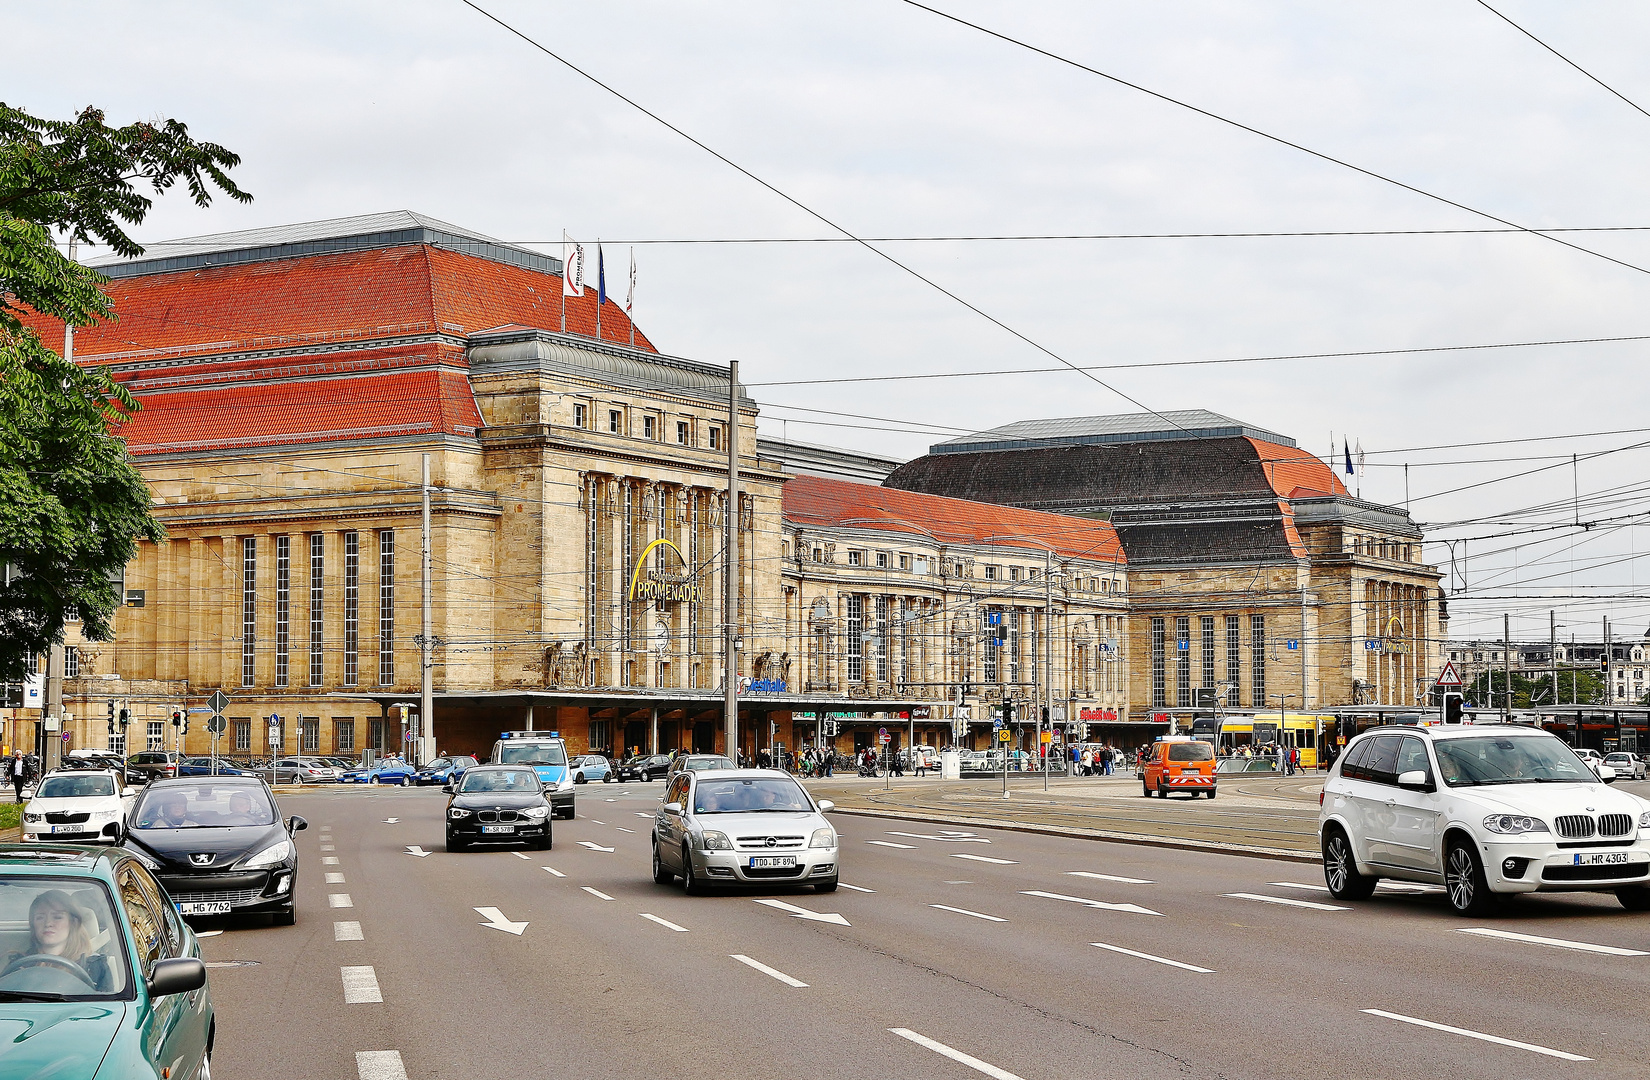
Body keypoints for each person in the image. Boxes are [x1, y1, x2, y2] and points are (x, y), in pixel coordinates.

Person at [4, 890, 114, 992]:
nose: (48, 923)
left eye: (57, 917)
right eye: (40, 917)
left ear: (73, 923)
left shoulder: (95, 967)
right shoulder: (18, 965)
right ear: (33, 925)